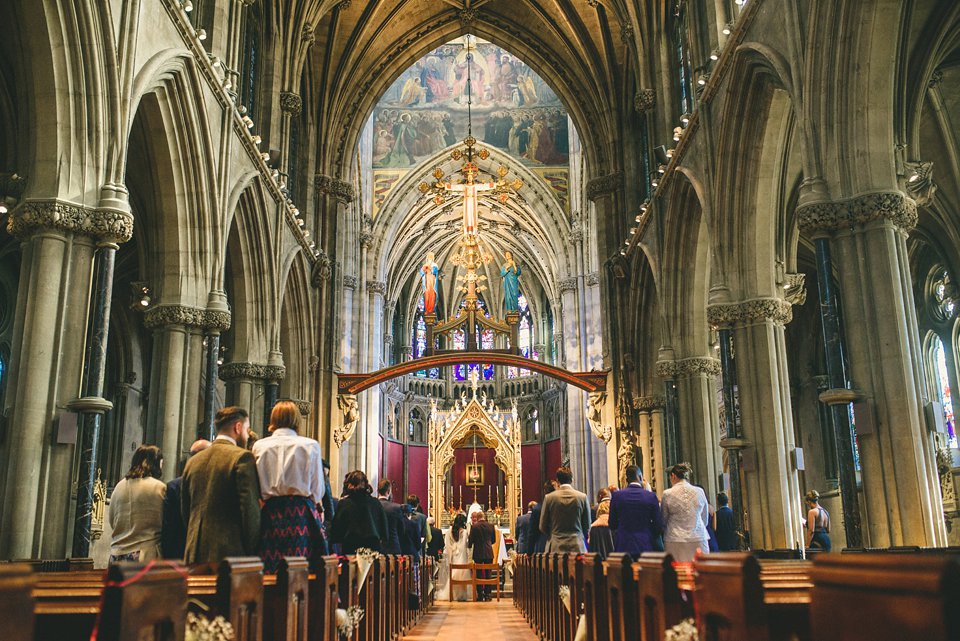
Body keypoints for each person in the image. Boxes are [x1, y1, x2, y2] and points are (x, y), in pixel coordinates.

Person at [251, 400, 326, 572]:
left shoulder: (259, 446)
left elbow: (255, 485)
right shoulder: (310, 446)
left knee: (270, 568)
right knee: (302, 570)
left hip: (270, 513)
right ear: (296, 419)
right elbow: (317, 490)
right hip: (301, 515)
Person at [181, 407, 262, 565]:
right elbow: (249, 511)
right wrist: (252, 549)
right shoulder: (241, 458)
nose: (246, 435)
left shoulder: (193, 461)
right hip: (229, 553)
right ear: (238, 427)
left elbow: (186, 510)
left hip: (194, 553)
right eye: (246, 429)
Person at [108, 445, 166, 563]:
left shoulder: (119, 487)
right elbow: (167, 522)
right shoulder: (158, 487)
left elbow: (111, 520)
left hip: (117, 556)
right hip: (144, 555)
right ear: (154, 464)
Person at [161, 439, 211, 559]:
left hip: (180, 552)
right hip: (200, 553)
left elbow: (168, 526)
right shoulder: (214, 485)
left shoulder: (174, 486)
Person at [609, 465, 663, 558]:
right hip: (645, 544)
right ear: (641, 477)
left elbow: (612, 524)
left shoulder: (617, 496)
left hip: (623, 545)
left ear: (626, 479)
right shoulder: (651, 496)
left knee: (626, 572)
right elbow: (658, 525)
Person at [660, 462, 710, 562]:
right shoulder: (699, 491)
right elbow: (705, 518)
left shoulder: (667, 494)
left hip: (675, 539)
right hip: (698, 537)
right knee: (700, 570)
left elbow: (664, 519)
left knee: (677, 572)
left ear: (673, 476)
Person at [330, 470, 389, 554]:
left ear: (350, 485)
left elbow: (336, 531)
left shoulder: (344, 503)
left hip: (351, 549)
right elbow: (385, 531)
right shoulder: (375, 503)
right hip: (373, 549)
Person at [538, 466, 590, 554]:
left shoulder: (549, 498)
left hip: (556, 547)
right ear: (572, 479)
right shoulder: (582, 497)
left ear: (558, 480)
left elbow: (542, 526)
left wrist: (553, 534)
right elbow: (587, 525)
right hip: (577, 546)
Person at [441, 513, 471, 602]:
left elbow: (447, 545)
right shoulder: (464, 532)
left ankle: (452, 594)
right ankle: (462, 595)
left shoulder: (449, 531)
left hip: (453, 555)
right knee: (463, 574)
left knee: (453, 574)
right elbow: (464, 545)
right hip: (462, 555)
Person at [468, 511, 496, 600]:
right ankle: (488, 594)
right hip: (488, 551)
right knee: (488, 573)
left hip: (478, 552)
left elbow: (470, 541)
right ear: (484, 516)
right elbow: (493, 540)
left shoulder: (474, 527)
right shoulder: (491, 526)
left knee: (478, 574)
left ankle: (480, 594)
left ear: (478, 517)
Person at [377, 479, 405, 554]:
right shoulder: (396, 508)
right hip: (393, 547)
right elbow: (401, 530)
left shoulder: (372, 505)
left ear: (378, 491)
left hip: (376, 547)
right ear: (389, 492)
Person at [530, 481, 555, 553]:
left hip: (541, 544)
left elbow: (533, 532)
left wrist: (529, 552)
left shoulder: (537, 509)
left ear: (544, 491)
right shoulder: (562, 506)